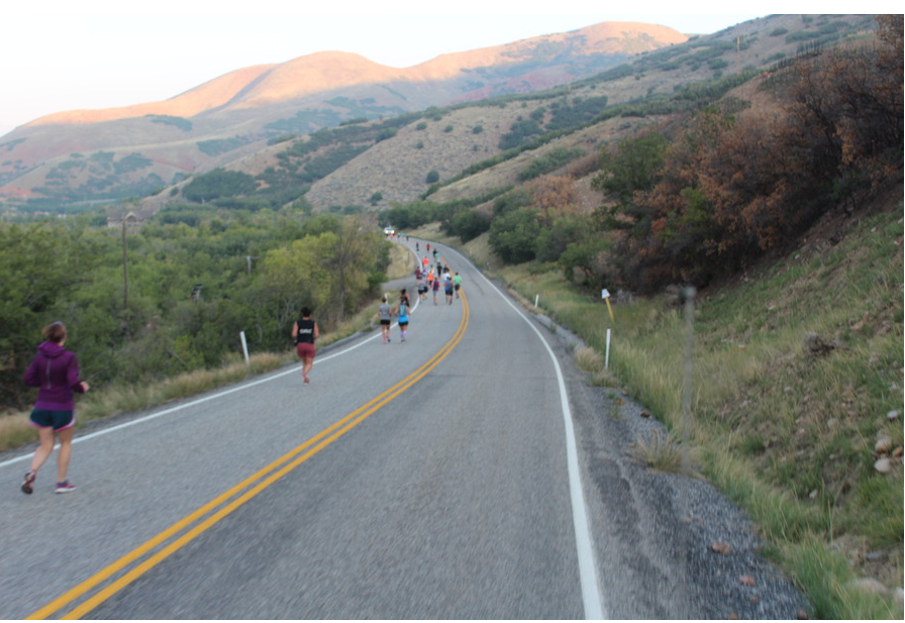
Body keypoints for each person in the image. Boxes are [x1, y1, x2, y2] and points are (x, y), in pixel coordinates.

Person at [21, 321, 89, 495]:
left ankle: (32, 471)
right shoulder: (69, 357)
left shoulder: (40, 356)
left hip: (42, 405)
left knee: (45, 445)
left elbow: (28, 379)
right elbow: (73, 381)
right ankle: (61, 483)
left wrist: (44, 384)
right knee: (65, 443)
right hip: (62, 406)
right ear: (63, 337)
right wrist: (82, 388)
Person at [291, 306, 319, 384]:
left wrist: (301, 335)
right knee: (309, 363)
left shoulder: (297, 323)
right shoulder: (313, 323)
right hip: (309, 344)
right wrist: (311, 336)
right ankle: (305, 373)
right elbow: (317, 335)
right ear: (310, 314)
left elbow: (293, 334)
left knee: (304, 362)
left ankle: (305, 377)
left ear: (302, 314)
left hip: (300, 345)